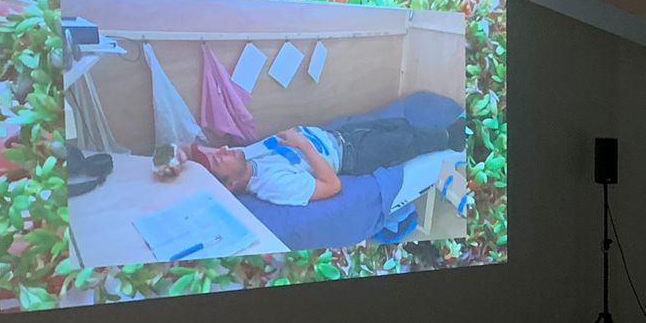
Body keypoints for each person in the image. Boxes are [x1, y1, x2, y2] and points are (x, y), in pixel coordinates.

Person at [185, 110, 466, 206]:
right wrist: (304, 145)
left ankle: (435, 134)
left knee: (399, 124)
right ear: (231, 184)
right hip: (351, 155)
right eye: (220, 160)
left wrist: (181, 161)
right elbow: (332, 186)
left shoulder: (246, 159)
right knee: (402, 141)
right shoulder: (273, 185)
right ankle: (451, 138)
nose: (223, 150)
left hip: (340, 135)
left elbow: (188, 151)